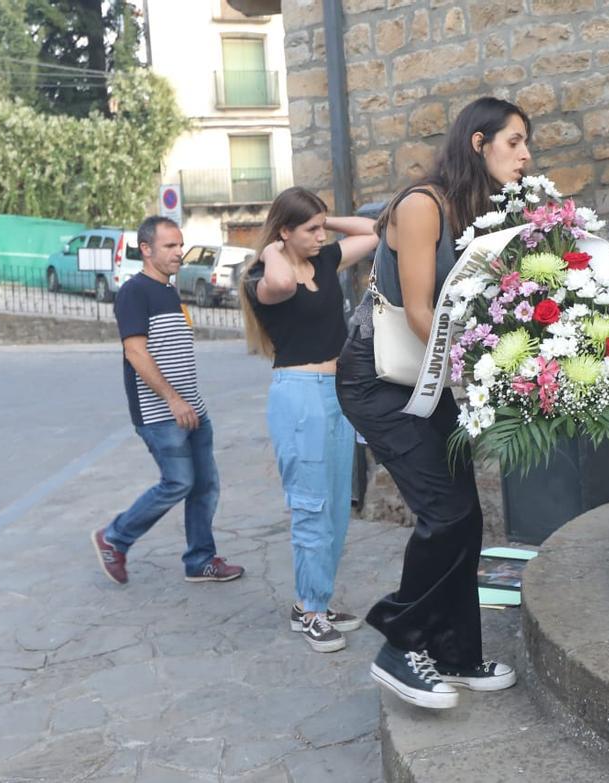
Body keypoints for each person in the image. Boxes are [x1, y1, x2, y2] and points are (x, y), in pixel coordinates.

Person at [336, 96, 531, 710]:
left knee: (465, 517)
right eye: (514, 142)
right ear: (478, 143)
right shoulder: (423, 205)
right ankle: (400, 645)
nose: (526, 155)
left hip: (430, 375)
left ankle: (454, 653)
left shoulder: (479, 211)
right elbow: (421, 310)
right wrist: (483, 373)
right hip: (380, 379)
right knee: (444, 514)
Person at [239, 187, 379, 653]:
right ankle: (310, 611)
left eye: (322, 228)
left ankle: (313, 600)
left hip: (336, 392)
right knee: (310, 506)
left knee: (337, 505)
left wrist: (327, 221)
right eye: (310, 229)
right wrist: (273, 247)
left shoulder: (322, 259)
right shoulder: (263, 275)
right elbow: (280, 286)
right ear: (284, 232)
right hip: (298, 397)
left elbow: (377, 232)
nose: (321, 236)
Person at [91, 216, 244, 585]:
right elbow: (136, 353)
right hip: (161, 412)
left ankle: (200, 560)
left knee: (205, 485)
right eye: (170, 246)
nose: (180, 253)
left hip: (191, 408)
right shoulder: (134, 292)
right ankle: (115, 537)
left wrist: (188, 401)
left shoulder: (170, 291)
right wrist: (173, 401)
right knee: (178, 482)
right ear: (146, 249)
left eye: (180, 245)